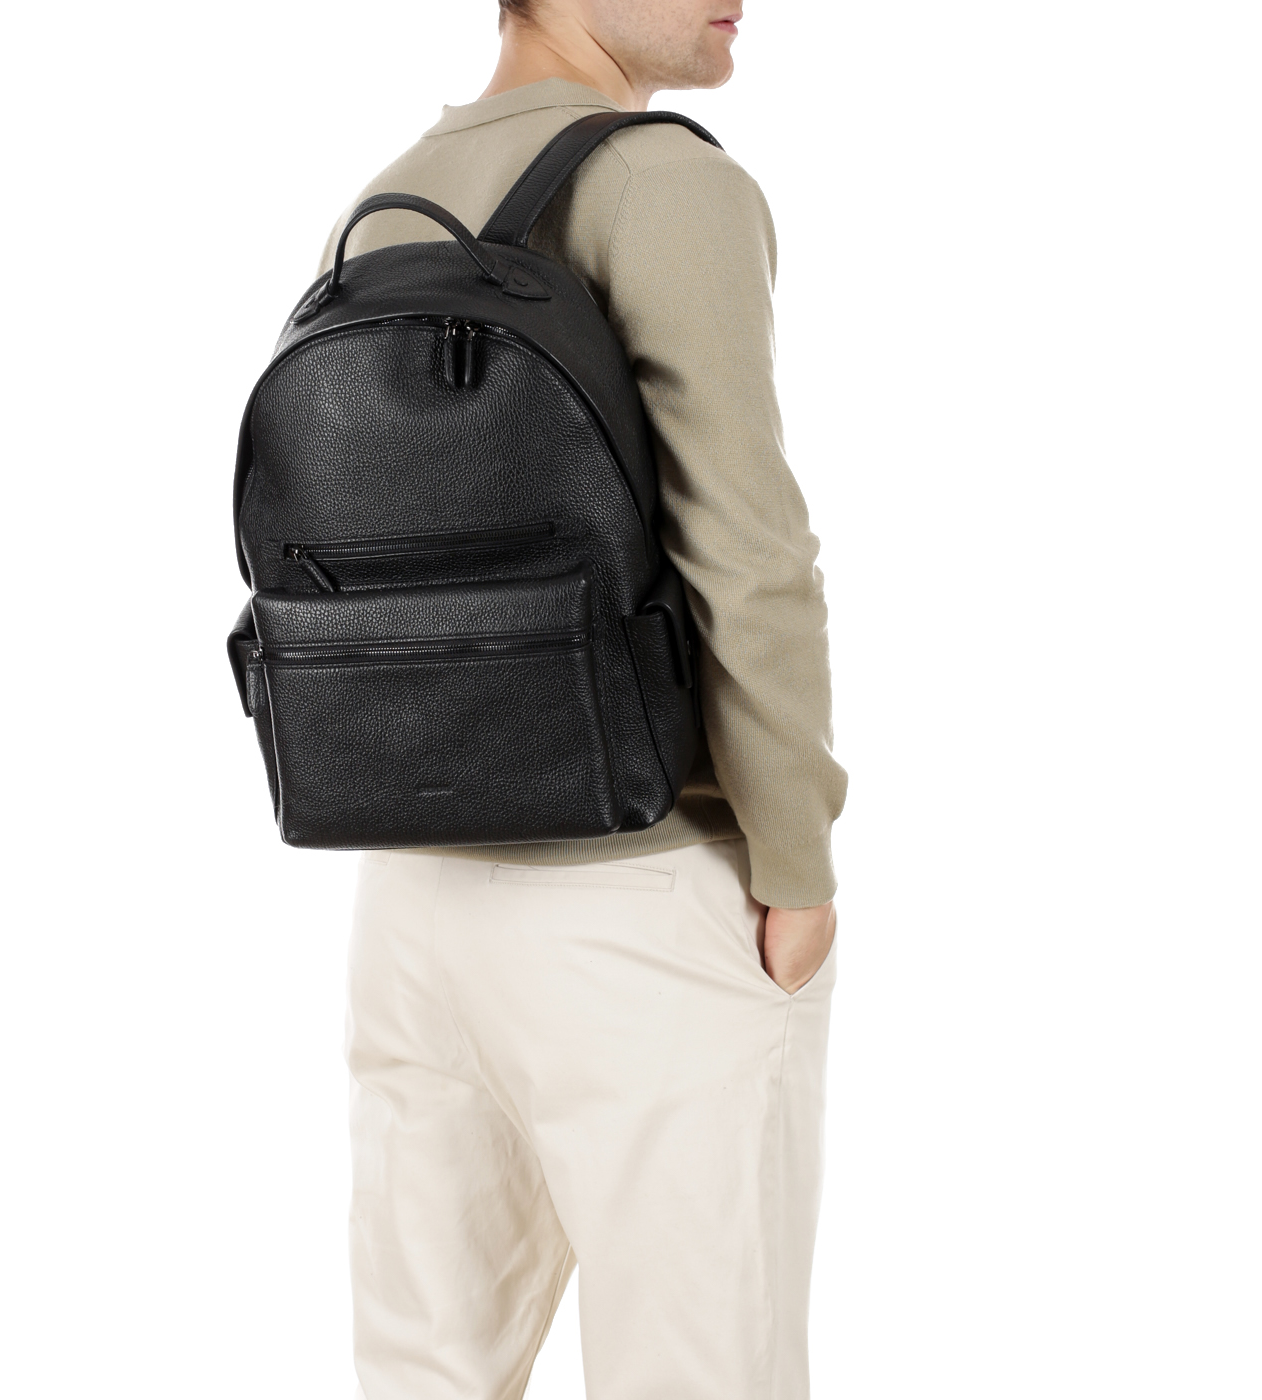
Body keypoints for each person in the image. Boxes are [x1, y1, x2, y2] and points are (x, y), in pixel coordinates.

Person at [331, 3, 847, 1395]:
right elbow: (748, 548)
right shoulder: (663, 183)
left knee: (427, 1375)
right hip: (641, 895)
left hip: (411, 895)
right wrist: (798, 869)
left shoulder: (390, 200)